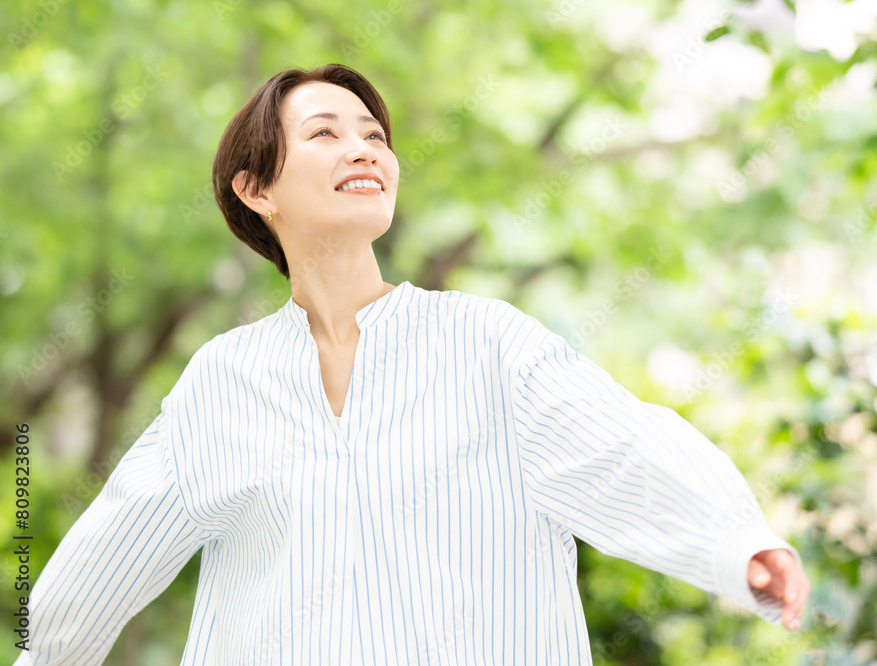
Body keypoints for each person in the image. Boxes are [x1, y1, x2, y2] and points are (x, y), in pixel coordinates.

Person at [18, 63, 810, 665]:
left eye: (374, 136)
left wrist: (734, 541)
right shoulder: (222, 383)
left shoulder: (487, 342)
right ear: (257, 189)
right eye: (326, 134)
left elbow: (619, 446)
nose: (364, 150)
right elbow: (109, 552)